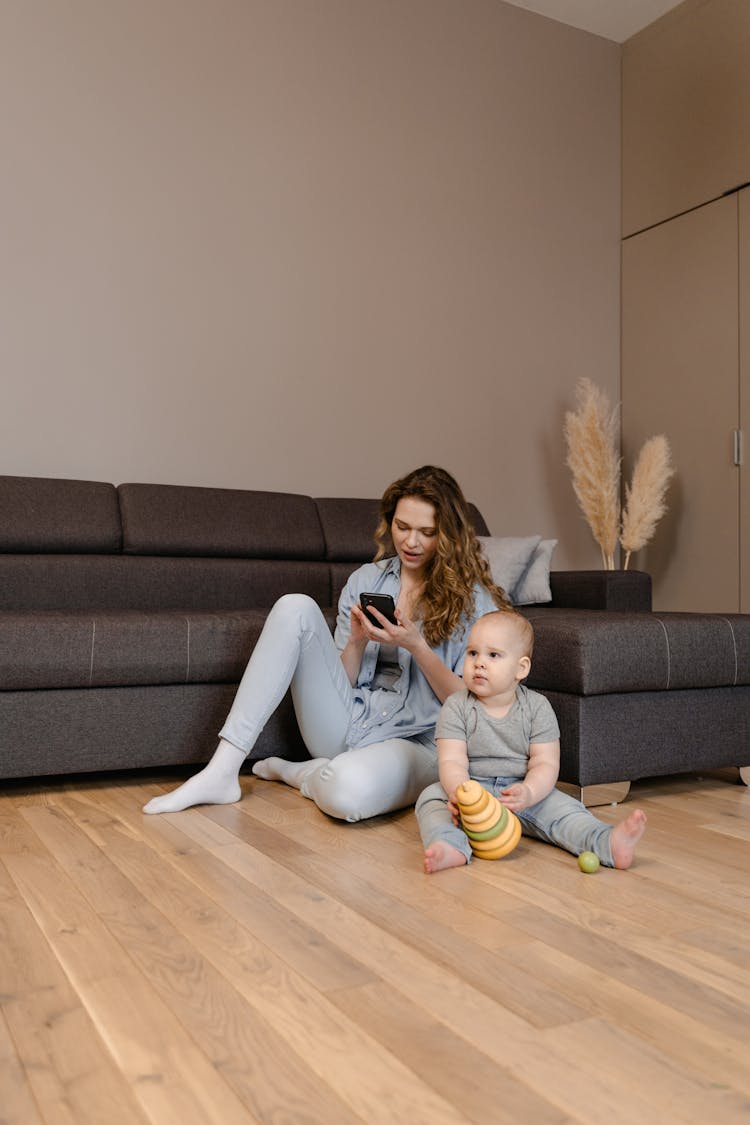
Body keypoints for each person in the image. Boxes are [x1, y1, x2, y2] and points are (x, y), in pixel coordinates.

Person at [143, 465, 509, 821]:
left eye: (426, 532)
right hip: (349, 722)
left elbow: (476, 709)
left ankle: (303, 774)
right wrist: (355, 643)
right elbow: (342, 682)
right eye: (402, 527)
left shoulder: (476, 603)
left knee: (345, 793)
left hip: (421, 743)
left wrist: (417, 647)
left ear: (448, 535)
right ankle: (222, 771)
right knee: (294, 607)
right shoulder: (368, 578)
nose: (411, 542)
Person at [416, 609, 647, 873]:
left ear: (521, 668)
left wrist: (529, 792)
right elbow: (451, 760)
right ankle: (449, 846)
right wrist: (461, 793)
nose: (479, 663)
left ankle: (607, 842)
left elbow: (545, 763)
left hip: (520, 790)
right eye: (472, 653)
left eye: (493, 655)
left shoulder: (537, 708)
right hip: (473, 790)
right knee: (431, 800)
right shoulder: (456, 706)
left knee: (566, 809)